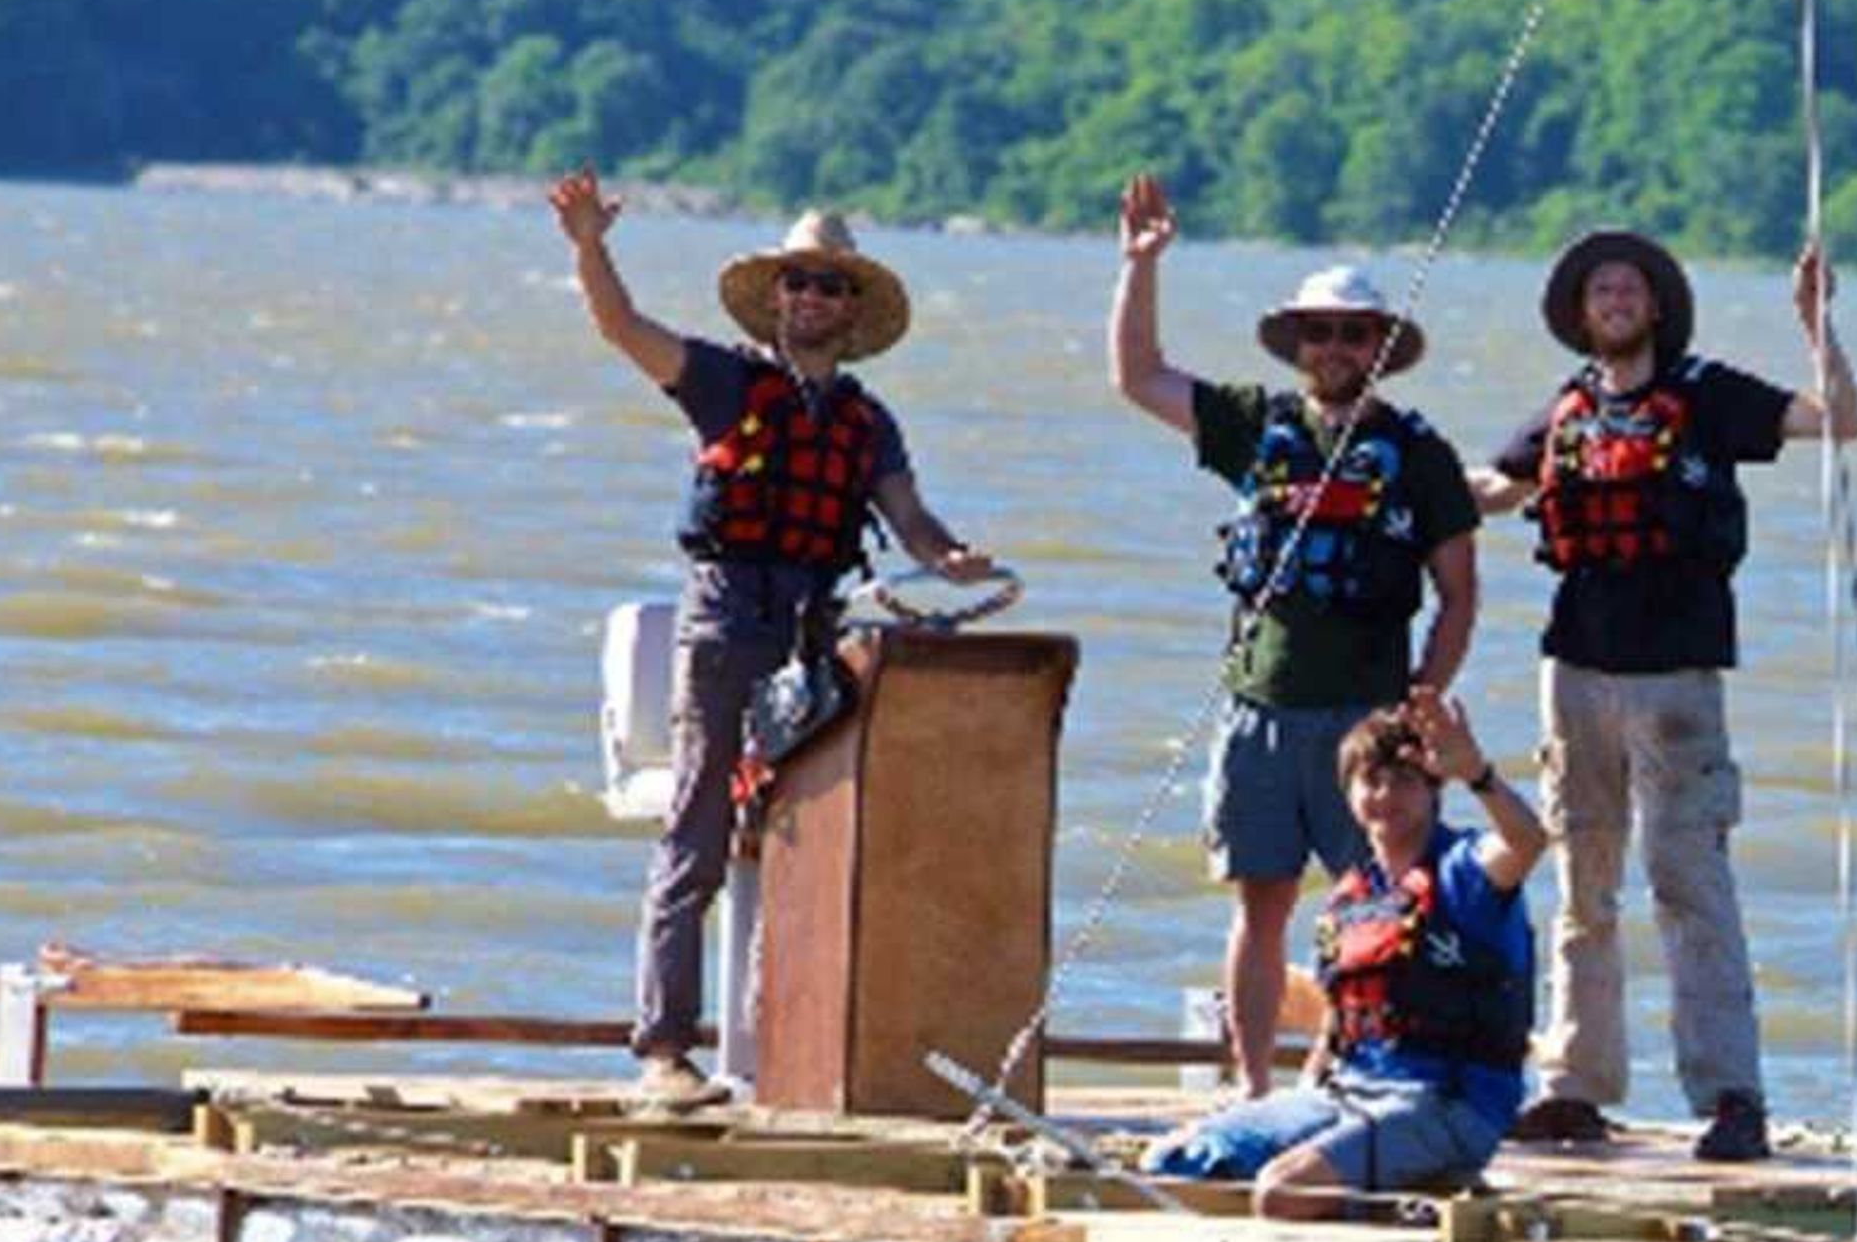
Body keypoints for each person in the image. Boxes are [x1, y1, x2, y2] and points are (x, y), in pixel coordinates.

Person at [549, 171, 1001, 1109]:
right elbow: (623, 330)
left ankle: (799, 1054)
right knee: (698, 835)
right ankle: (663, 1051)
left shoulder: (868, 424)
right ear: (777, 298)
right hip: (723, 627)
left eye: (830, 286)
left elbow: (911, 519)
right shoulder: (723, 382)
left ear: (853, 308)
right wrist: (590, 247)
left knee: (808, 842)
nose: (811, 297)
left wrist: (950, 557)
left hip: (811, 637)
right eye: (798, 281)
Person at [1465, 230, 1857, 1163]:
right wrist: (1405, 474)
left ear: (1654, 308)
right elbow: (1493, 488)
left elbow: (1838, 420)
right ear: (1579, 312)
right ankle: (1573, 1087)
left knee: (1691, 884)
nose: (1613, 296)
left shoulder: (1708, 394)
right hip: (1575, 672)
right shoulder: (1562, 414)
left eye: (1628, 286)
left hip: (1678, 677)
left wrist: (1818, 325)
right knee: (1582, 886)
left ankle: (1730, 1095)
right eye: (1599, 286)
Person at [1110, 173, 1481, 1098]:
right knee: (1261, 903)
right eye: (1320, 331)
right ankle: (1252, 1083)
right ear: (1298, 343)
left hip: (1364, 715)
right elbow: (1138, 375)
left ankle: (1347, 1069)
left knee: (1378, 900)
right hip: (1259, 710)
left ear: (1380, 350)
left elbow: (1460, 592)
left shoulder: (1420, 454)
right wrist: (1142, 267)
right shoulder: (1256, 425)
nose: (1335, 346)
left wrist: (1419, 705)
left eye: (1355, 332)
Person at [1144, 689, 1546, 1217]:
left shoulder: (1465, 869)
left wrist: (1479, 775)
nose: (1386, 795)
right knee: (1173, 1163)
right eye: (1371, 781)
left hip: (1447, 1103)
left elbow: (1528, 842)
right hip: (1347, 1092)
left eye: (1403, 781)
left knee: (1283, 1191)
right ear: (1349, 795)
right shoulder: (1350, 899)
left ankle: (1404, 1200)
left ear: (1433, 790)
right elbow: (1338, 1025)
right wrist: (1297, 1100)